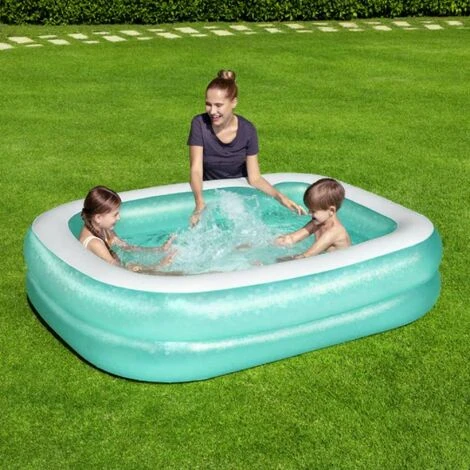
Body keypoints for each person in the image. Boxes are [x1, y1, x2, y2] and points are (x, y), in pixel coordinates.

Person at [187, 69, 305, 226]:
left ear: (233, 102)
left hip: (239, 193)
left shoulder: (248, 130)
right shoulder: (199, 124)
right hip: (212, 191)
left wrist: (280, 197)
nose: (212, 111)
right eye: (208, 104)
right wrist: (199, 203)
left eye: (218, 105)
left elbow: (254, 177)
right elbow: (196, 169)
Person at [79, 186, 175, 271]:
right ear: (98, 218)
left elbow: (127, 247)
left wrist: (159, 249)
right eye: (115, 215)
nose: (119, 218)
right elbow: (118, 269)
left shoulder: (104, 229)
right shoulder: (95, 243)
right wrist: (158, 266)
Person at [276, 178, 351, 260]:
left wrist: (280, 262)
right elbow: (292, 238)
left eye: (313, 211)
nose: (309, 213)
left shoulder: (335, 232)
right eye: (309, 209)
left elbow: (307, 255)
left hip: (339, 264)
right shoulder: (317, 222)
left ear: (331, 210)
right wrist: (275, 242)